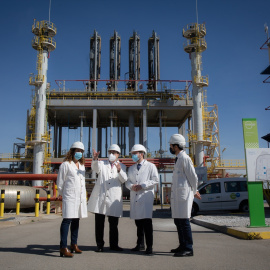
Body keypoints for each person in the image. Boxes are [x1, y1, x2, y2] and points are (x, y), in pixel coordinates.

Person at [88, 144, 127, 252]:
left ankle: (114, 245)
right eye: (110, 152)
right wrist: (95, 159)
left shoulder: (122, 166)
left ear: (118, 154)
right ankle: (100, 245)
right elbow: (95, 168)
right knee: (99, 223)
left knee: (114, 223)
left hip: (113, 198)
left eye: (114, 152)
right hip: (101, 197)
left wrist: (119, 170)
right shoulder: (101, 163)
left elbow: (124, 180)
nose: (112, 154)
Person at [125, 144, 159, 255]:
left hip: (145, 197)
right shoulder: (131, 168)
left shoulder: (151, 166)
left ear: (142, 153)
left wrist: (142, 185)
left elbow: (155, 180)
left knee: (147, 223)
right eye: (133, 154)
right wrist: (131, 186)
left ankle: (150, 247)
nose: (134, 155)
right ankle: (140, 244)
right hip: (135, 196)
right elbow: (127, 181)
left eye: (135, 153)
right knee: (138, 223)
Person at [169, 134, 198, 257]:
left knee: (184, 221)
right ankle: (182, 245)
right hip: (177, 196)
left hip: (184, 196)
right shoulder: (178, 159)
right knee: (178, 221)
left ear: (176, 146)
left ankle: (188, 248)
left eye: (171, 145)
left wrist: (195, 190)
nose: (170, 147)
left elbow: (193, 177)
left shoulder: (185, 158)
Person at [57, 141, 88, 258]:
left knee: (76, 221)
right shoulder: (65, 165)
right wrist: (63, 194)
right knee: (67, 220)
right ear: (72, 151)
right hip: (69, 197)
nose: (79, 153)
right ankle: (63, 247)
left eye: (81, 151)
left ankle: (74, 244)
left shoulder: (82, 166)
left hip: (79, 197)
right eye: (77, 151)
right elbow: (60, 183)